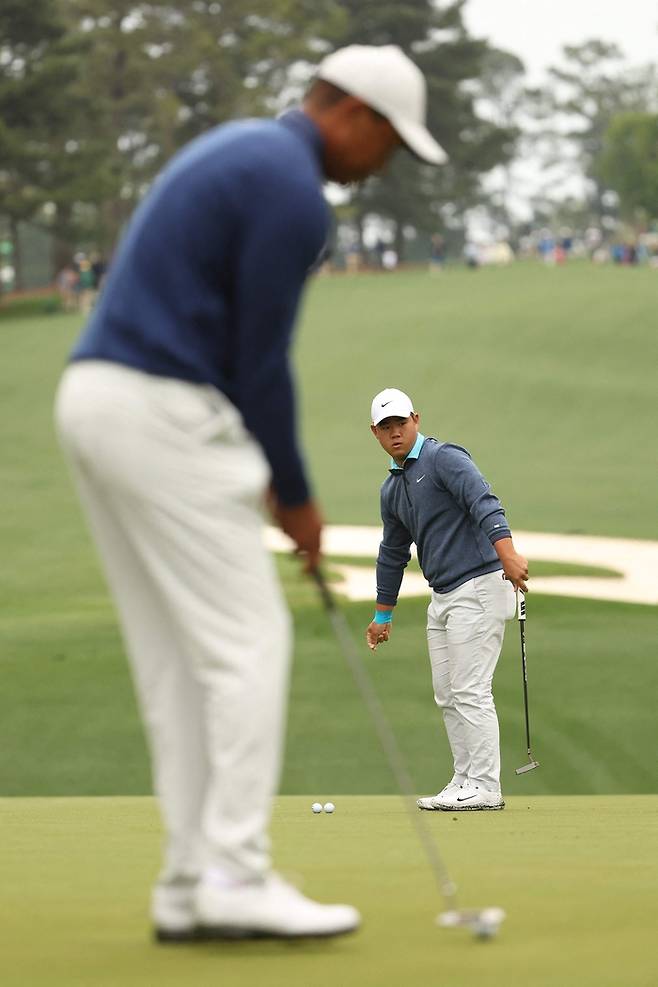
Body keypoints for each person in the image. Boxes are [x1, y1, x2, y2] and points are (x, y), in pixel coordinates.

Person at [54, 46, 445, 943]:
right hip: (159, 405)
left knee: (179, 659)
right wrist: (298, 497)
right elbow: (260, 364)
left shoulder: (241, 150)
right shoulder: (291, 190)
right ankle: (234, 870)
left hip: (98, 398)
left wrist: (271, 481)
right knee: (246, 639)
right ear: (352, 114)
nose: (380, 166)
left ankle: (190, 881)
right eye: (387, 144)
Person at [366, 389, 528, 813]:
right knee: (447, 693)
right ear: (375, 434)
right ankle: (465, 779)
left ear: (416, 420)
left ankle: (485, 785)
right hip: (442, 597)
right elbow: (392, 553)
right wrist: (382, 615)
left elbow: (483, 502)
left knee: (470, 689)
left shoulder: (444, 459)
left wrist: (507, 553)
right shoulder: (392, 489)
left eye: (401, 423)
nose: (395, 432)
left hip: (477, 586)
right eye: (386, 427)